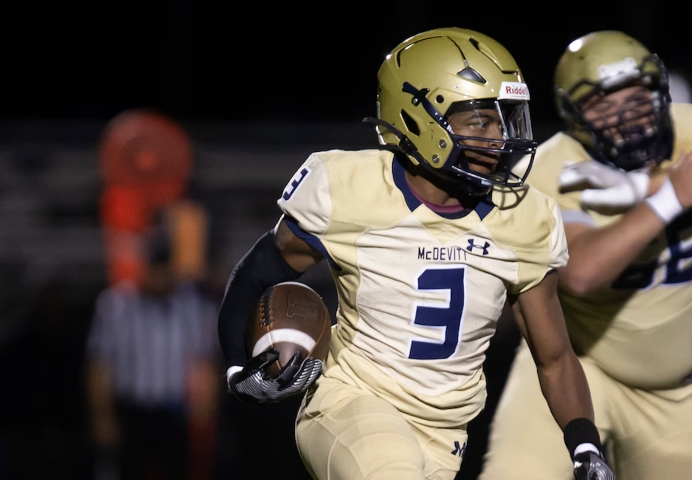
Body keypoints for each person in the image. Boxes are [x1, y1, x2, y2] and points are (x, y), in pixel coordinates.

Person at [216, 27, 615, 480]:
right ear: (420, 120)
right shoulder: (348, 188)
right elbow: (253, 276)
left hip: (446, 434)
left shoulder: (526, 215)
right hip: (352, 401)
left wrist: (585, 445)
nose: (500, 137)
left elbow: (555, 356)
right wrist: (236, 369)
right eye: (480, 120)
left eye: (503, 120)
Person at [479, 30, 692, 480]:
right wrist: (675, 193)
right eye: (602, 103)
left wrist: (646, 187)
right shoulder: (548, 168)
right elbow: (582, 271)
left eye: (636, 97)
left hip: (682, 388)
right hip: (580, 365)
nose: (627, 117)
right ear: (574, 114)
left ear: (660, 92)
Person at [86, 210, 221, 480]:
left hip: (173, 412)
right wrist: (102, 416)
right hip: (131, 411)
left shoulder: (194, 306)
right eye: (153, 266)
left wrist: (204, 408)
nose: (159, 274)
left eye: (164, 265)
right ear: (143, 265)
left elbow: (204, 361)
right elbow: (100, 366)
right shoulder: (116, 306)